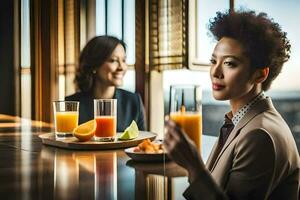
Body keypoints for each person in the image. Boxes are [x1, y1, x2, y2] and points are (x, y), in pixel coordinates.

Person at [164, 10, 300, 199]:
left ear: (260, 74)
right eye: (213, 61)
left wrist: (193, 167)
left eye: (229, 63)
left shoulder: (259, 135)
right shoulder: (240, 121)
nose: (215, 72)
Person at [66, 35, 146, 131]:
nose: (122, 67)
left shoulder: (133, 102)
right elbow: (67, 142)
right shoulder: (71, 104)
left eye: (124, 60)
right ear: (95, 65)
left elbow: (143, 143)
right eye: (113, 60)